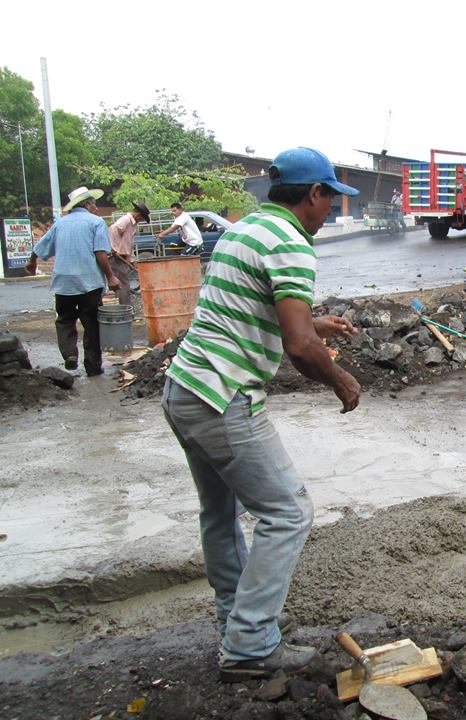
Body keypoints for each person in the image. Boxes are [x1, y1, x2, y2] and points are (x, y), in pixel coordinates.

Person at [161, 146, 362, 681]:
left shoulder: (244, 230)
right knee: (288, 513)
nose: (332, 212)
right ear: (313, 194)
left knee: (221, 515)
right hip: (223, 397)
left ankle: (236, 625)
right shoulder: (292, 244)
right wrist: (340, 379)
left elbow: (248, 309)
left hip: (184, 388)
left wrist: (317, 322)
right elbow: (297, 347)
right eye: (331, 200)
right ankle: (250, 646)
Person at [23, 186, 121, 376]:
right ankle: (93, 366)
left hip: (63, 282)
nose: (96, 208)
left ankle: (70, 354)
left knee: (65, 320)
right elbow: (100, 253)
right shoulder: (96, 222)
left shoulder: (60, 223)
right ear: (86, 204)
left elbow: (40, 246)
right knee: (92, 324)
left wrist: (31, 262)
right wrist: (111, 277)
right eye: (94, 204)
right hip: (89, 282)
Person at [107, 201, 150, 305]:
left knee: (122, 283)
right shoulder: (126, 220)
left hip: (122, 256)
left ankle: (123, 307)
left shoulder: (133, 224)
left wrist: (132, 260)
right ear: (138, 214)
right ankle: (125, 308)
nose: (141, 220)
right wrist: (114, 248)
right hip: (116, 256)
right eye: (142, 218)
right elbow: (113, 229)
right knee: (123, 283)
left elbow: (128, 243)